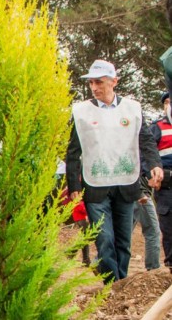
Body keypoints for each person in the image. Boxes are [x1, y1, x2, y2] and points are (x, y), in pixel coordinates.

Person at [66, 59, 162, 284]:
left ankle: (120, 284)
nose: (94, 87)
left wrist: (154, 163)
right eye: (91, 83)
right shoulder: (81, 112)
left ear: (114, 82)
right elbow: (72, 152)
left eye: (99, 82)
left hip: (126, 184)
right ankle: (112, 285)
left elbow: (146, 139)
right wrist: (74, 187)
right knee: (104, 239)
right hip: (95, 186)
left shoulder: (132, 109)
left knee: (123, 242)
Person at [149, 92, 172, 272]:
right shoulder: (157, 127)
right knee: (169, 228)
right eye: (166, 102)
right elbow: (146, 154)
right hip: (167, 187)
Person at [133, 176, 161, 271]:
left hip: (133, 191)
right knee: (152, 231)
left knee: (123, 232)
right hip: (141, 193)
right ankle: (153, 269)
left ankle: (100, 263)